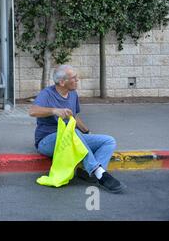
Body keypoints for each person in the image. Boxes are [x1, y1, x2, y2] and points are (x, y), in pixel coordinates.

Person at [29, 65, 126, 193]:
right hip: (47, 141)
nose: (77, 80)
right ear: (62, 82)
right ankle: (99, 172)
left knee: (108, 141)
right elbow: (32, 111)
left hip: (72, 137)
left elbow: (74, 118)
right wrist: (54, 110)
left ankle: (87, 173)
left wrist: (88, 133)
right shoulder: (47, 94)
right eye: (74, 78)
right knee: (73, 133)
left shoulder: (73, 94)